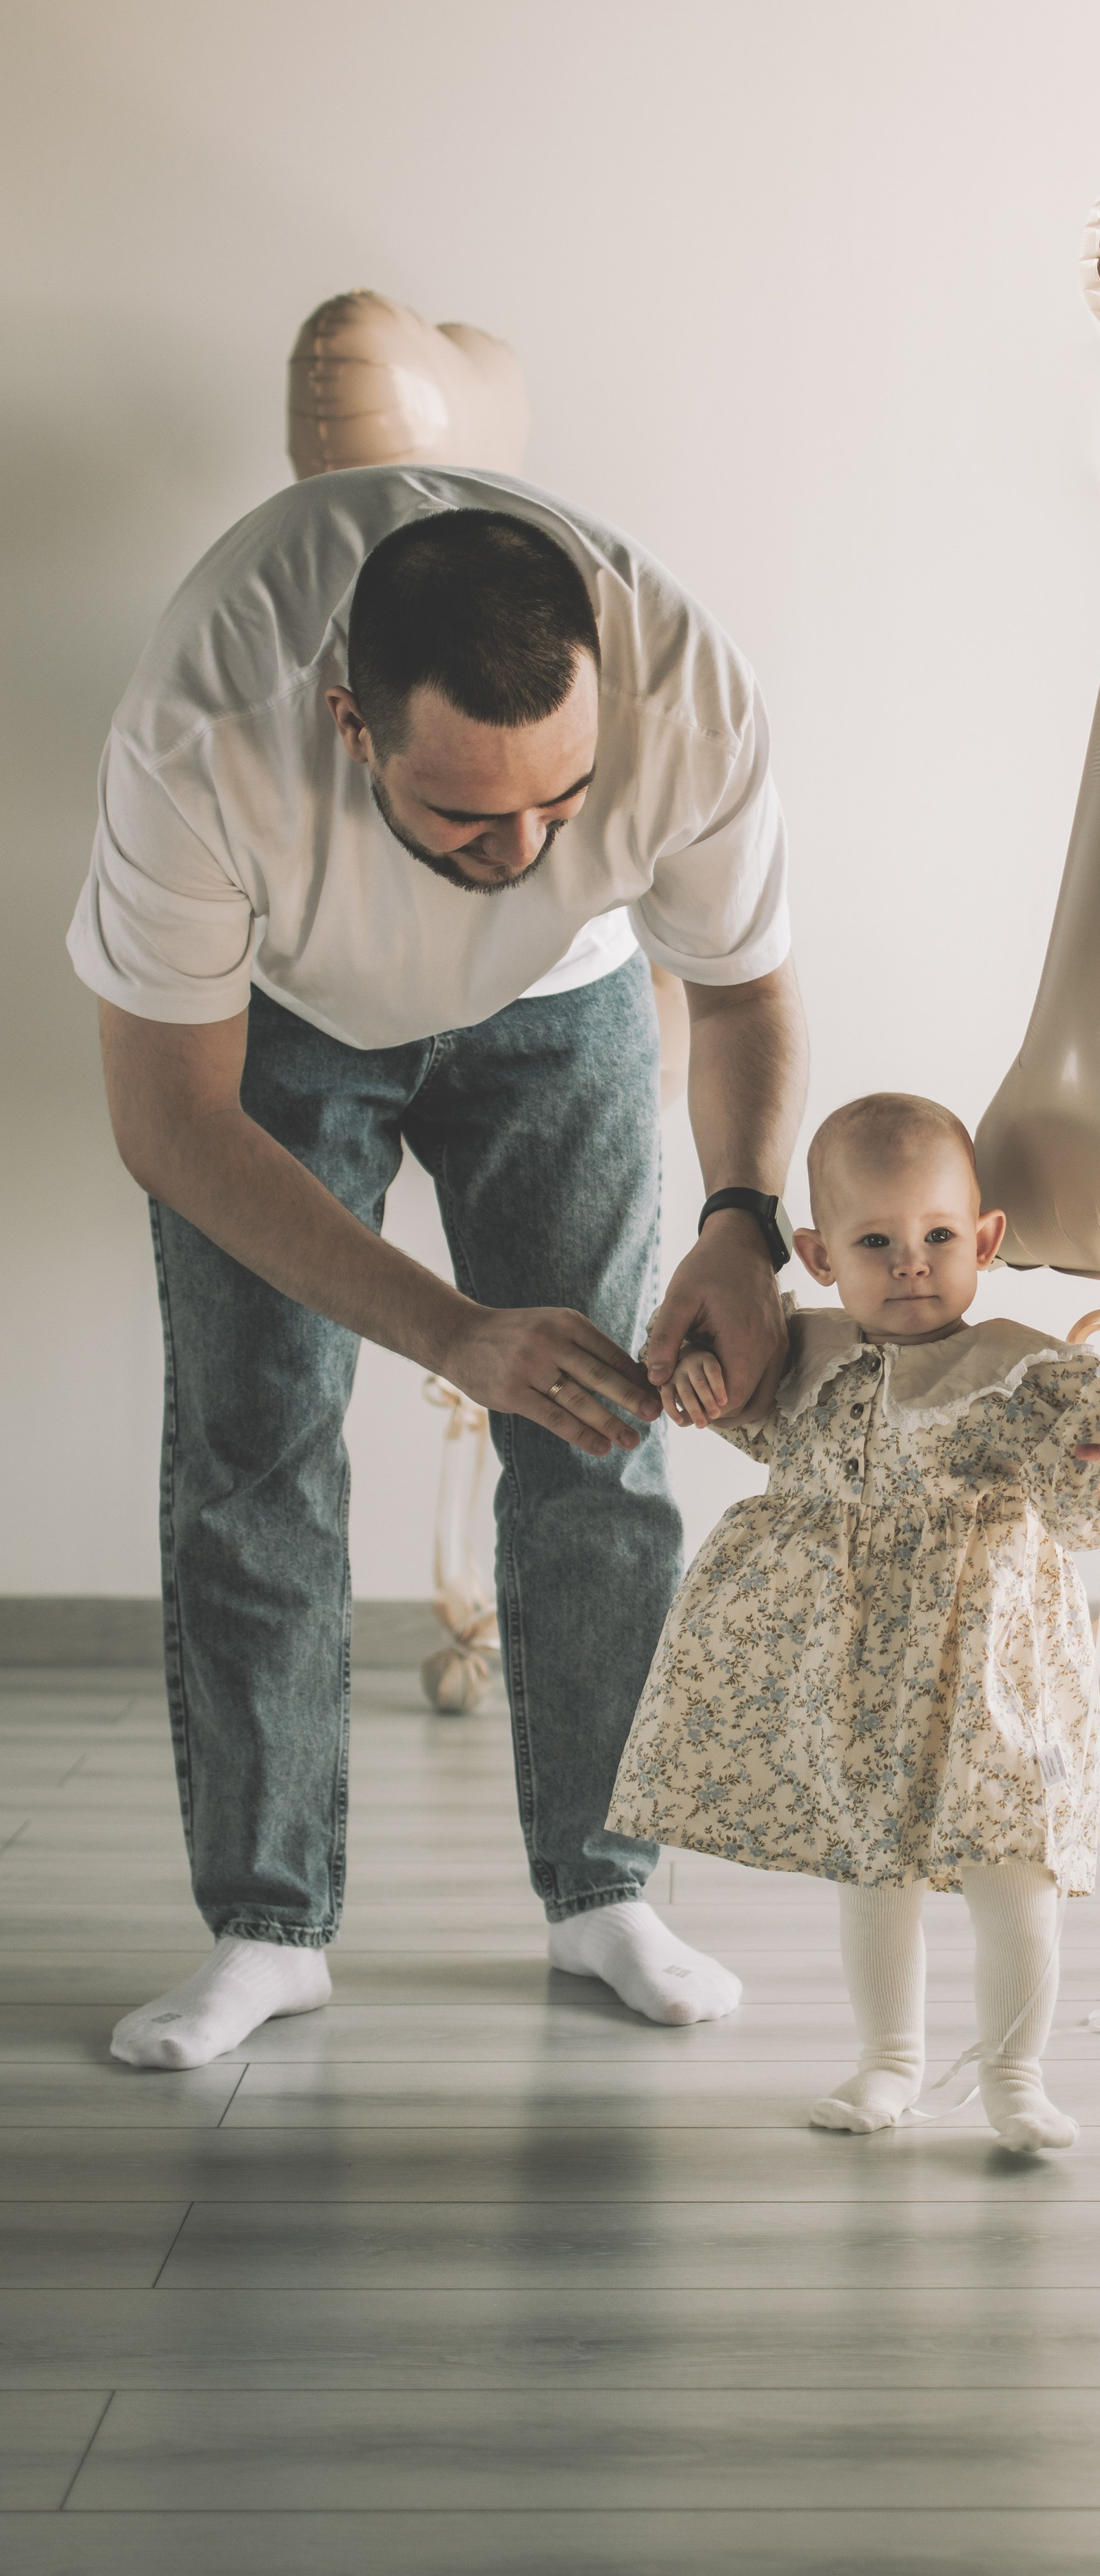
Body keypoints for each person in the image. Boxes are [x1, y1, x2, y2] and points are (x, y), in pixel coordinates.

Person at [68, 470, 808, 2069]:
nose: (528, 844)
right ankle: (267, 1928)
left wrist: (740, 1223)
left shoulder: (689, 690)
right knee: (251, 1454)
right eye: (471, 814)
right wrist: (450, 1331)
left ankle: (604, 1893)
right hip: (278, 1021)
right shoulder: (202, 731)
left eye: (565, 799)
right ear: (347, 721)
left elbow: (741, 993)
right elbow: (169, 1123)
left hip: (571, 1011)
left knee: (600, 1441)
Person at [608, 1093, 1100, 2152]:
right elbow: (751, 1418)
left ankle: (1016, 2072)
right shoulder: (805, 1351)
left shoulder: (1021, 1371)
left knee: (1012, 1862)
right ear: (819, 1254)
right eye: (876, 1242)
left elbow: (1078, 1506)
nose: (912, 1264)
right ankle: (889, 2058)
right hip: (857, 1660)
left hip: (991, 1660)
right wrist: (704, 1387)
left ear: (983, 1241)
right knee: (872, 1858)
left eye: (937, 1237)